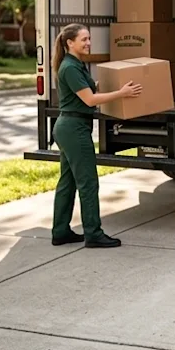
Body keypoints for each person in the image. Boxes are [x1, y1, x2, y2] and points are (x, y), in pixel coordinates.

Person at [50, 23, 142, 248]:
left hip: (71, 127)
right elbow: (90, 100)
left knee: (68, 182)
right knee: (88, 183)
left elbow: (91, 89)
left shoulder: (76, 65)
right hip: (74, 129)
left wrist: (114, 83)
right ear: (70, 43)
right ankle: (93, 233)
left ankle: (60, 231)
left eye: (89, 38)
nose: (88, 43)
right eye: (84, 39)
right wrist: (121, 94)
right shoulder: (70, 67)